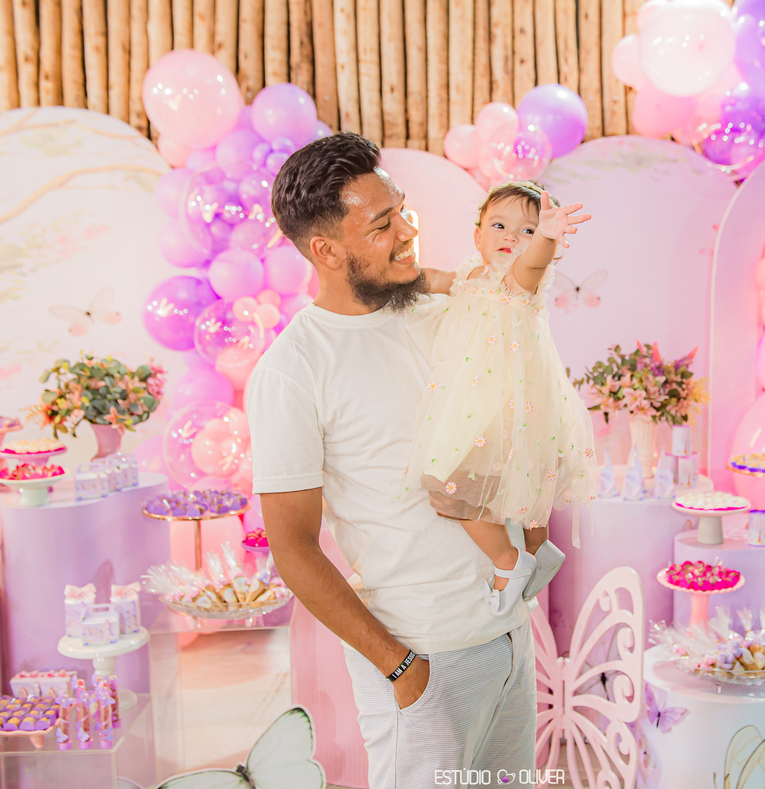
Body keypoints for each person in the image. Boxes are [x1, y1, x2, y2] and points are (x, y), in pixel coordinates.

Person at [246, 132, 535, 789]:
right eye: (382, 225)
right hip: (424, 656)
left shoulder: (439, 311)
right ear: (326, 250)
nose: (408, 231)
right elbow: (293, 548)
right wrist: (400, 667)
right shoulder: (294, 370)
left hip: (509, 638)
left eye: (402, 210)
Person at [407, 181, 598, 616]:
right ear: (478, 236)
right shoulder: (469, 276)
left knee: (451, 486)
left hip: (502, 409)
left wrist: (545, 237)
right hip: (496, 404)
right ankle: (539, 549)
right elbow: (433, 278)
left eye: (526, 230)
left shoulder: (520, 280)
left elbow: (533, 261)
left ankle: (508, 562)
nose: (511, 237)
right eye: (499, 226)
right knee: (522, 485)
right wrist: (390, 274)